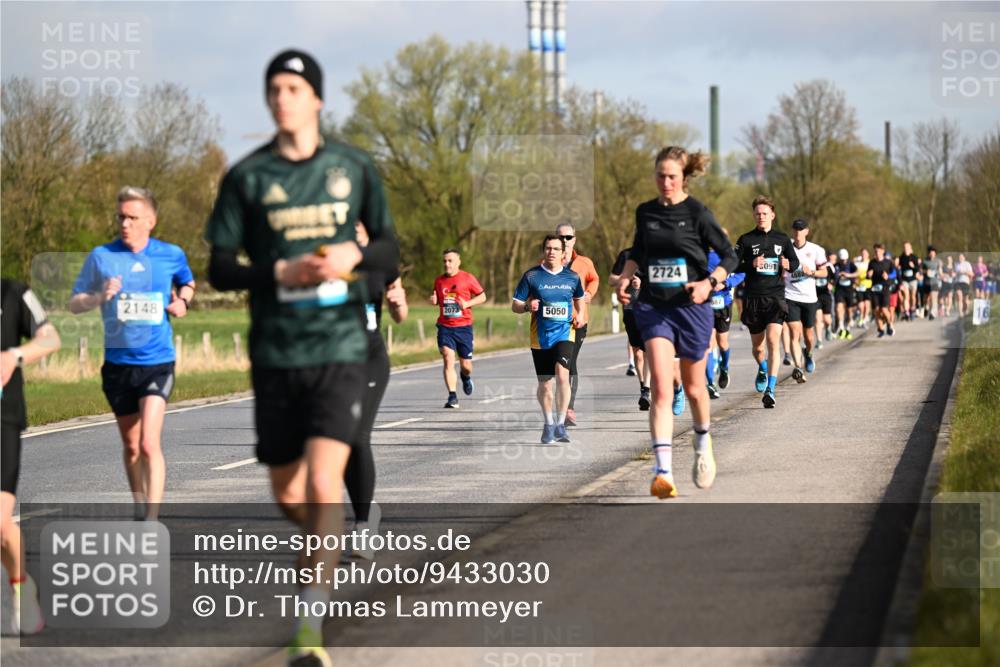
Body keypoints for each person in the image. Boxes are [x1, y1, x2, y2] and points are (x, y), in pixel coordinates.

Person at [205, 49, 399, 667]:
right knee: (292, 496)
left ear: (316, 97)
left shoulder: (353, 167)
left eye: (293, 87)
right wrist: (278, 270)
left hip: (341, 349)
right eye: (274, 89)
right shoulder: (248, 177)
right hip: (275, 353)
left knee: (321, 485)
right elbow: (218, 268)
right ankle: (329, 537)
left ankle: (308, 631)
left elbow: (390, 250)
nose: (282, 97)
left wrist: (354, 259)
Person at [616, 146, 737, 498]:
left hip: (691, 307)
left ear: (684, 176)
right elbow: (637, 252)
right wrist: (626, 277)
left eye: (672, 176)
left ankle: (702, 442)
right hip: (654, 307)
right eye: (660, 176)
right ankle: (663, 472)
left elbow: (729, 256)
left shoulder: (697, 212)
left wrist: (709, 283)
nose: (665, 182)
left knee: (696, 388)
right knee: (662, 389)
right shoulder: (645, 212)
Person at [69, 186, 196, 521]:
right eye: (120, 217)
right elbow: (74, 303)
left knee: (149, 444)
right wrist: (99, 295)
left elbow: (188, 281)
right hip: (118, 366)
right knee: (131, 445)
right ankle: (140, 504)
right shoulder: (102, 256)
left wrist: (183, 301)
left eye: (132, 217)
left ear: (150, 221)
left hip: (157, 362)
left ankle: (151, 518)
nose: (125, 223)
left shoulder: (170, 254)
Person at [2, 278, 60, 634]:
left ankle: (22, 587)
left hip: (2, 419)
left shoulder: (13, 293)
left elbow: (50, 338)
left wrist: (14, 355)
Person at [347, 223, 408, 560]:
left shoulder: (383, 261)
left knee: (358, 436)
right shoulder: (329, 257)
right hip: (335, 362)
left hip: (371, 360)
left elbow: (400, 315)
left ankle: (362, 524)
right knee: (341, 441)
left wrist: (398, 304)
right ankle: (364, 510)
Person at [512, 235, 586, 444]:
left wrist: (580, 314)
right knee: (545, 384)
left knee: (563, 376)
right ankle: (548, 424)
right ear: (543, 251)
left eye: (555, 249)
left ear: (564, 253)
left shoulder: (572, 277)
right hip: (540, 337)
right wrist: (527, 306)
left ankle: (561, 425)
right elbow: (515, 305)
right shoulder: (532, 276)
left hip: (565, 333)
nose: (551, 252)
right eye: (547, 248)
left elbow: (579, 299)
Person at [733, 195, 799, 408]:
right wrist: (750, 263)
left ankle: (771, 388)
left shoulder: (782, 239)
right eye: (757, 214)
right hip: (753, 298)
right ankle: (762, 367)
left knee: (773, 341)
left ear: (772, 215)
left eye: (764, 213)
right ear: (754, 215)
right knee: (758, 348)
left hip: (775, 298)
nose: (761, 217)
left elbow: (794, 262)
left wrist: (789, 264)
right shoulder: (745, 240)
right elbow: (734, 265)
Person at [555, 223, 599, 427]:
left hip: (577, 321)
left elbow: (594, 279)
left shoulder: (584, 262)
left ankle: (568, 409)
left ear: (574, 239)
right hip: (554, 323)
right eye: (560, 237)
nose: (564, 241)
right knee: (556, 366)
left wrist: (589, 293)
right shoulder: (548, 262)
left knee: (569, 363)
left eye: (568, 237)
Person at [431, 249, 486, 409]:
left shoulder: (467, 278)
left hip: (464, 328)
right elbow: (439, 300)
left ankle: (465, 377)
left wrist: (467, 304)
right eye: (445, 261)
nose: (447, 264)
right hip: (445, 327)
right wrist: (434, 301)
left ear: (458, 262)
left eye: (450, 260)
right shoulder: (439, 281)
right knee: (448, 358)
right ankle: (452, 396)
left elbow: (483, 296)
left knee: (466, 366)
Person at [783, 219, 826, 380]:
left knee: (809, 335)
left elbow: (825, 273)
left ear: (807, 231)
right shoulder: (785, 249)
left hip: (809, 298)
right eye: (795, 229)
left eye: (801, 229)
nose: (798, 232)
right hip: (790, 296)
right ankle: (798, 367)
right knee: (795, 333)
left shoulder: (815, 250)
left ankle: (808, 353)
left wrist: (812, 273)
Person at [610, 247, 651, 410]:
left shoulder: (657, 253)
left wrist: (643, 283)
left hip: (650, 310)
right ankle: (643, 386)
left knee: (647, 350)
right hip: (630, 310)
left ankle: (646, 391)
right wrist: (625, 279)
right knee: (637, 353)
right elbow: (611, 280)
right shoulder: (626, 255)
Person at [706, 238, 744, 397]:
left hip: (724, 303)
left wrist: (726, 284)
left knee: (722, 342)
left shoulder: (728, 256)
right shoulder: (697, 255)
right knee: (707, 344)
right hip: (704, 303)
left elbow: (742, 273)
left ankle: (724, 367)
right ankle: (710, 384)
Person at [867, 243, 895, 337]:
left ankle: (889, 324)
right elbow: (868, 275)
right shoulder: (872, 263)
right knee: (877, 310)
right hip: (874, 289)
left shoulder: (888, 262)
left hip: (885, 288)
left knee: (884, 309)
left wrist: (888, 276)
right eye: (875, 251)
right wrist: (868, 275)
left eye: (878, 251)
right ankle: (881, 329)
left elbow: (894, 274)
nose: (877, 253)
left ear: (883, 251)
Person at [833, 248, 858, 339]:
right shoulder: (836, 265)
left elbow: (857, 273)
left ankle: (849, 323)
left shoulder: (851, 264)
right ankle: (841, 326)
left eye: (845, 259)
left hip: (849, 289)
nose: (843, 261)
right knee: (839, 307)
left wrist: (848, 275)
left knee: (849, 309)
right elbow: (832, 275)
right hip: (839, 289)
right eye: (842, 259)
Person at [816, 252, 837, 345]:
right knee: (817, 319)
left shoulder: (829, 268)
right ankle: (819, 341)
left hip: (826, 296)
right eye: (818, 264)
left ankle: (828, 328)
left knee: (827, 319)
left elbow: (836, 278)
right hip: (816, 296)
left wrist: (831, 284)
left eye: (822, 264)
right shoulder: (813, 269)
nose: (820, 266)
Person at [897, 242, 920, 321]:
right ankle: (907, 312)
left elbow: (918, 268)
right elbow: (898, 269)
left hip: (913, 279)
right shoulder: (901, 257)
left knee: (913, 296)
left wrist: (913, 266)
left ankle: (912, 310)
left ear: (910, 248)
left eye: (907, 247)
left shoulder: (914, 257)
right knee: (906, 296)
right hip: (904, 279)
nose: (906, 249)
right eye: (904, 247)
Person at [921, 246, 941, 321]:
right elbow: (921, 270)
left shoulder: (938, 261)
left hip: (935, 282)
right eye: (930, 253)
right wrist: (926, 272)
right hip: (927, 282)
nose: (932, 254)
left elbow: (940, 271)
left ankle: (933, 313)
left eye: (933, 252)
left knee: (934, 297)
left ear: (935, 253)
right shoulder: (925, 261)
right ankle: (926, 307)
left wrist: (940, 274)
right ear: (929, 254)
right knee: (926, 298)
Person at [854, 248, 872, 328]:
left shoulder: (870, 263)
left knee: (867, 304)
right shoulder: (857, 264)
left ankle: (864, 319)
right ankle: (861, 317)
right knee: (861, 305)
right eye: (862, 253)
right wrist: (855, 281)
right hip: (859, 286)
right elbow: (854, 273)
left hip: (868, 286)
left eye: (865, 253)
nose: (864, 254)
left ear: (868, 254)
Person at [954, 253, 974, 317]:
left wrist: (965, 272)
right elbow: (954, 273)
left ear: (964, 258)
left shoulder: (967, 264)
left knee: (965, 299)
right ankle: (960, 313)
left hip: (965, 282)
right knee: (959, 297)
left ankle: (966, 310)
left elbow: (972, 274)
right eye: (959, 257)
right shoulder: (956, 264)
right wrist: (954, 274)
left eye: (962, 257)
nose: (960, 258)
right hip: (957, 282)